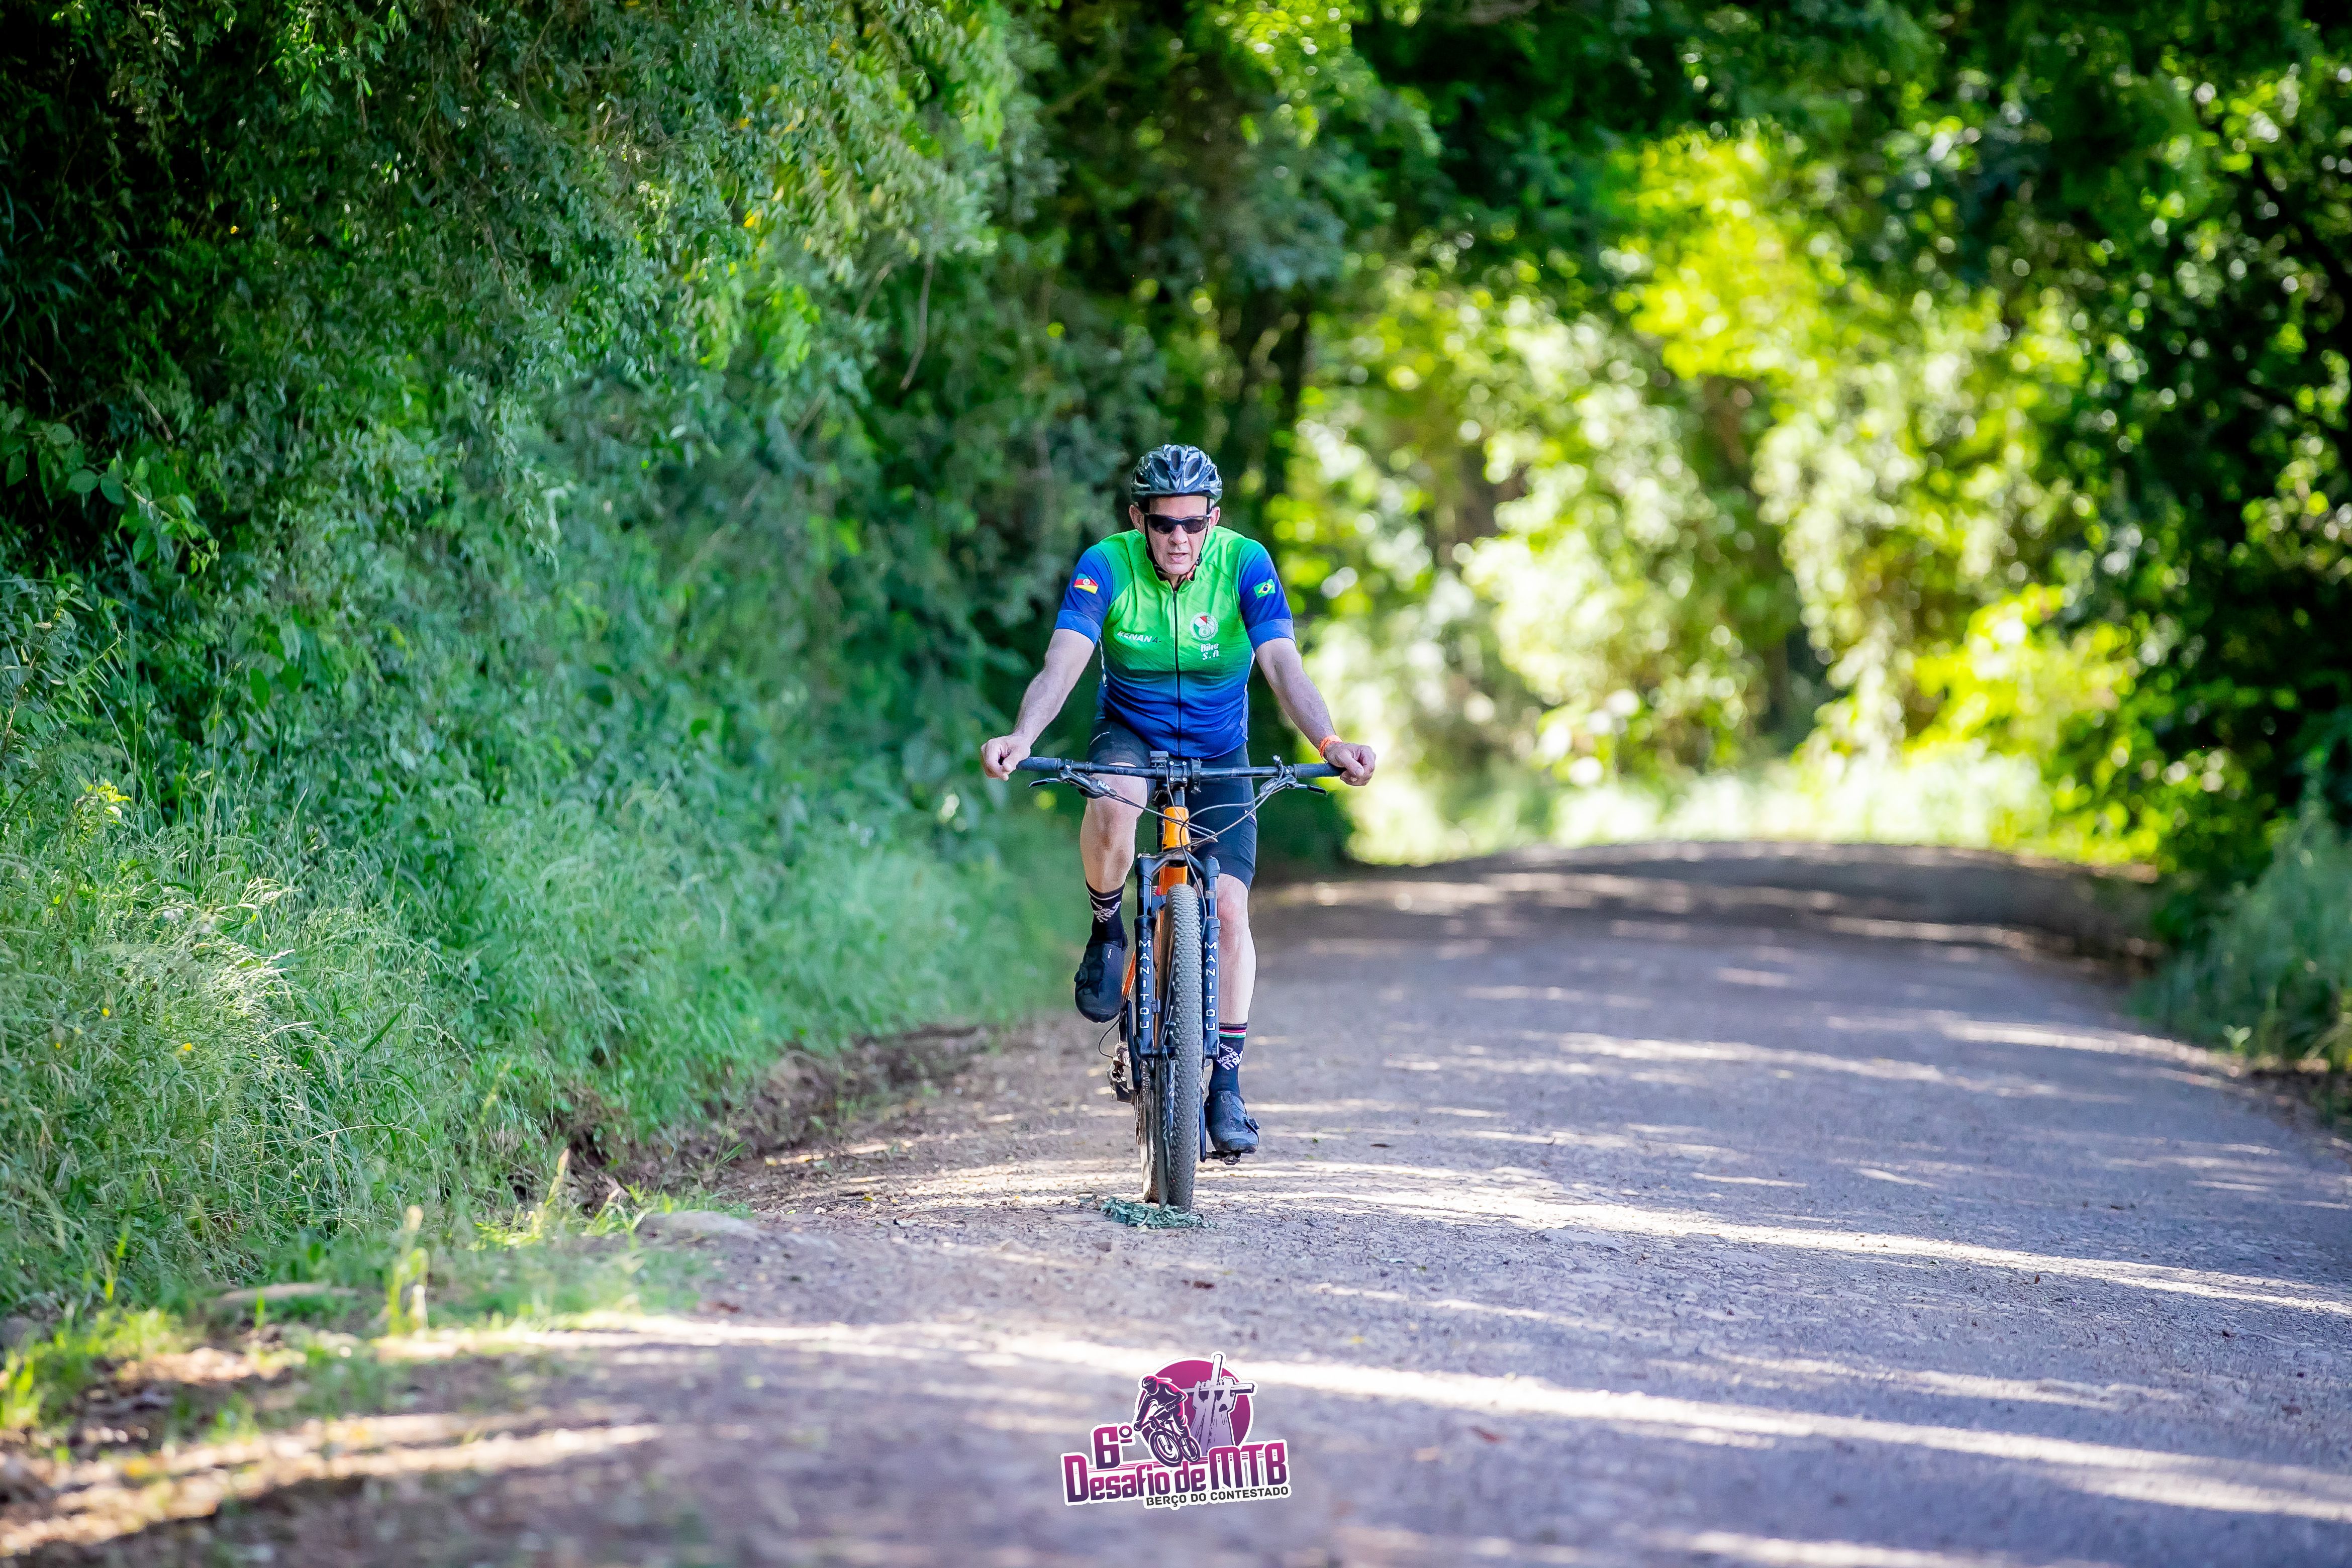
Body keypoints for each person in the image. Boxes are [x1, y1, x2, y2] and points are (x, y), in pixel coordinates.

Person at [980, 444, 1376, 1155]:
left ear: (1213, 519)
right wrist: (1022, 734)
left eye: (1194, 524)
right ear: (1140, 519)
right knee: (1113, 798)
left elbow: (1283, 664)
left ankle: (1225, 1085)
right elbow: (1063, 662)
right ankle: (1107, 930)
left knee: (1228, 909)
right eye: (1164, 523)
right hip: (1130, 732)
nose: (1179, 538)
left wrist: (1330, 742)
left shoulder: (1245, 563)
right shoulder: (1106, 564)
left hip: (1220, 748)